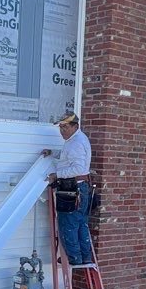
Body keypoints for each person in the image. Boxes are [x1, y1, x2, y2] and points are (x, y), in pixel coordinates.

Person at [43, 113, 94, 265]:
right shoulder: (77, 139)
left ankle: (74, 258)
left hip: (73, 189)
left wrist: (56, 175)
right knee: (80, 223)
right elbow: (69, 157)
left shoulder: (75, 143)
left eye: (65, 126)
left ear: (75, 126)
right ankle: (85, 257)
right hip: (81, 188)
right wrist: (53, 152)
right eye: (60, 127)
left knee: (68, 224)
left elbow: (77, 168)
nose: (62, 130)